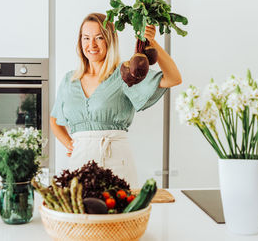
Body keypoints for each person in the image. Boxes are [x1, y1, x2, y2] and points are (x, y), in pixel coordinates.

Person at [50, 13, 181, 187]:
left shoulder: (125, 73)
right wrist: (71, 145)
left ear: (110, 40)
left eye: (99, 38)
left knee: (119, 211)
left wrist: (152, 43)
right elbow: (54, 120)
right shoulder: (69, 80)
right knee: (82, 213)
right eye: (86, 38)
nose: (92, 45)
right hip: (79, 165)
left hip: (116, 162)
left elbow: (173, 78)